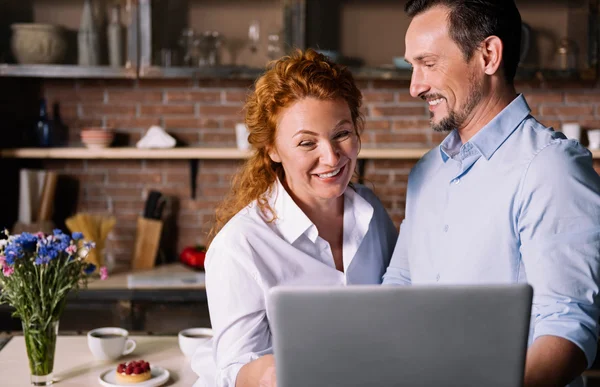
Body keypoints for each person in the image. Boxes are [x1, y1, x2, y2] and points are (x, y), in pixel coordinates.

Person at [383, 1, 600, 386]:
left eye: (428, 63)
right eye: (412, 66)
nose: (415, 86)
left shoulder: (551, 167)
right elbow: (398, 290)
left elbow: (567, 329)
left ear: (488, 55)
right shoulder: (426, 174)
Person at [196, 49, 398, 387]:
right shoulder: (239, 245)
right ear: (273, 150)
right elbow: (234, 367)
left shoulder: (372, 212)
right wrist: (270, 374)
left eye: (342, 134)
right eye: (307, 143)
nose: (331, 157)